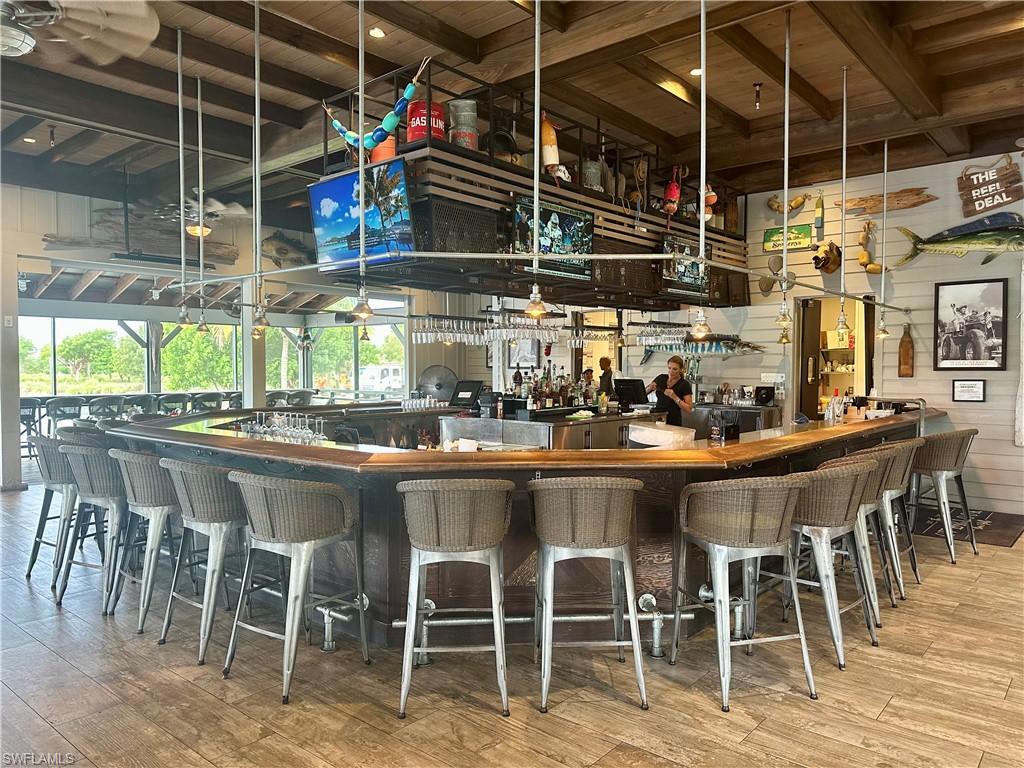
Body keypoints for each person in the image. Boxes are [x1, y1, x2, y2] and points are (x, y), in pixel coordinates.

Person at [646, 355, 693, 427]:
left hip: (673, 422)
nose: (671, 371)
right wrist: (650, 388)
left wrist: (675, 397)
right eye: (669, 368)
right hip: (658, 419)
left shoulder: (684, 384)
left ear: (681, 370)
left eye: (675, 369)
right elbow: (643, 393)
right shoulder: (661, 378)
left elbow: (689, 409)